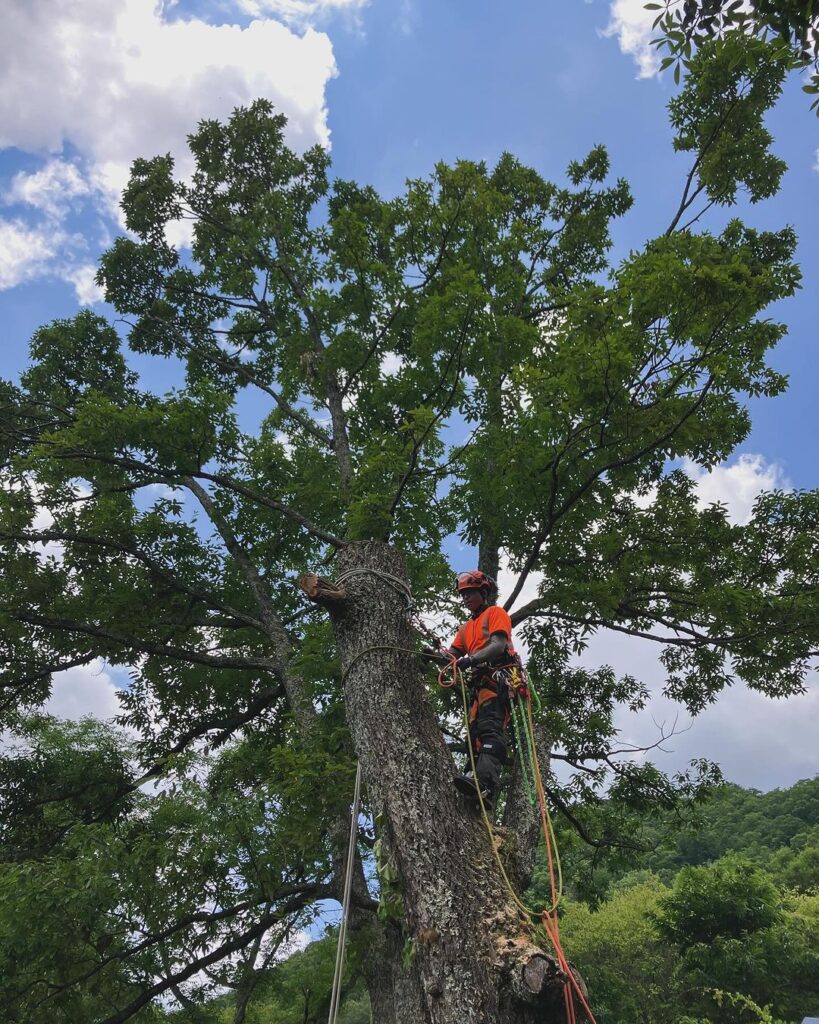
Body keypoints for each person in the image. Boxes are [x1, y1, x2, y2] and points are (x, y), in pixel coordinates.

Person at [443, 570, 517, 808]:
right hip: (480, 686)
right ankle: (474, 782)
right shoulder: (466, 628)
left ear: (483, 592)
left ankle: (485, 783)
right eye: (463, 595)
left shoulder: (496, 613)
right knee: (473, 737)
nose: (466, 598)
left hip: (497, 679)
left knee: (489, 729)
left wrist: (472, 660)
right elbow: (452, 657)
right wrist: (432, 655)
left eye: (471, 593)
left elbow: (498, 645)